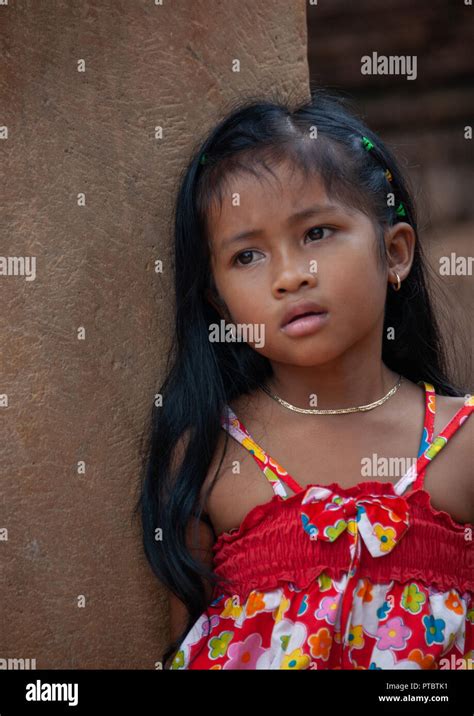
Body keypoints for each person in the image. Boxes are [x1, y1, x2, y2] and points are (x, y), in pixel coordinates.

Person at [138, 88, 473, 670]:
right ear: (219, 303)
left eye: (316, 233)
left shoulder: (463, 440)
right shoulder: (209, 454)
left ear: (394, 253)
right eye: (247, 256)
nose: (290, 276)